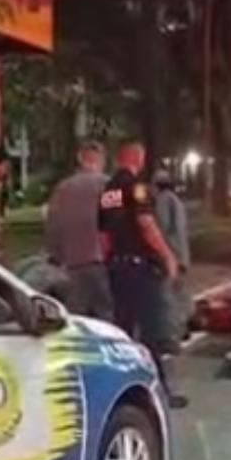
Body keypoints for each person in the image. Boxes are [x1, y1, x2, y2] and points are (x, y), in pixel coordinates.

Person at [98, 141, 187, 408]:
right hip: (139, 268)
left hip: (117, 267)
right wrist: (168, 257)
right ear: (137, 158)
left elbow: (103, 234)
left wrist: (111, 260)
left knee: (122, 329)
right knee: (150, 332)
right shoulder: (136, 187)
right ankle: (160, 392)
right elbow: (146, 224)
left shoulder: (108, 190)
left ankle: (115, 391)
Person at [45, 141, 113, 320]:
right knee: (107, 312)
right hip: (102, 260)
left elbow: (53, 224)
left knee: (76, 316)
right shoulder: (109, 185)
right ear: (101, 160)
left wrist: (56, 255)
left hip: (73, 262)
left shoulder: (62, 189)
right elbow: (118, 220)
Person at [154, 169, 192, 350]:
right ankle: (183, 326)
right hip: (181, 254)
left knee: (168, 297)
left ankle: (171, 336)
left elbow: (161, 227)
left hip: (170, 255)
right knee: (180, 293)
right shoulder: (176, 201)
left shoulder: (163, 201)